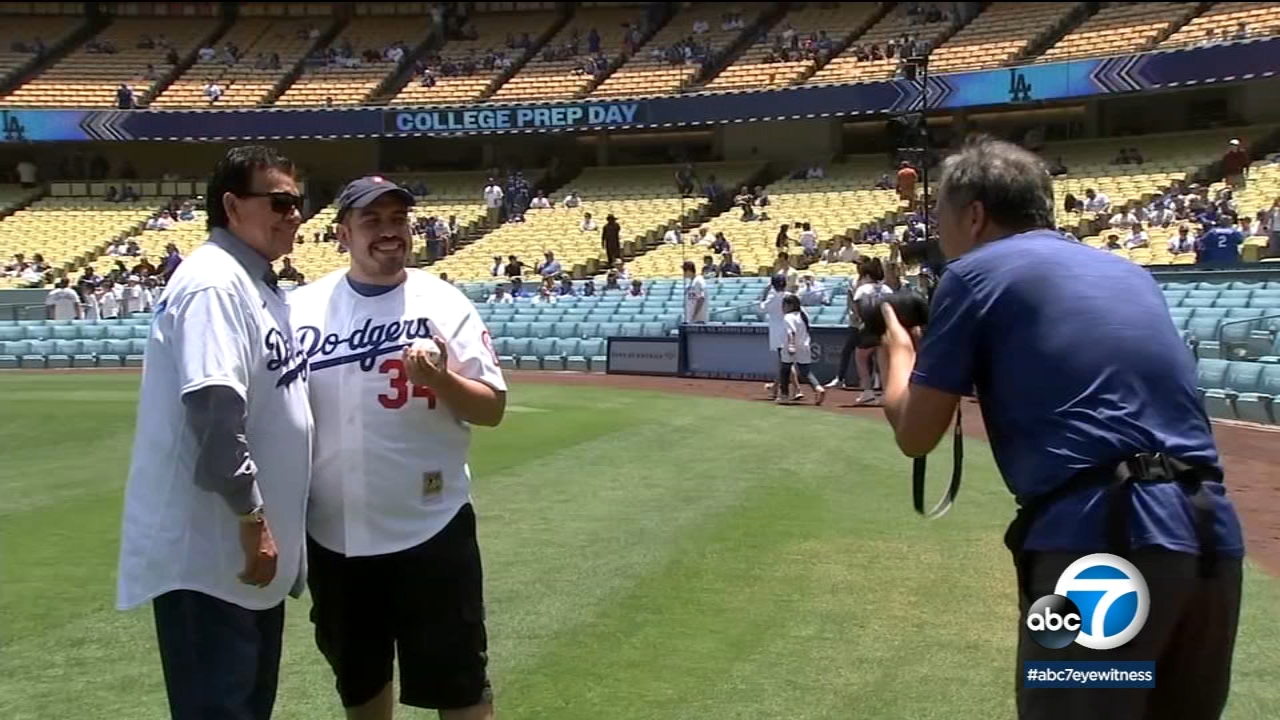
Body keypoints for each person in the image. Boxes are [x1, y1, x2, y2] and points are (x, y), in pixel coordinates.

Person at [876, 136, 1243, 720]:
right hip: (1210, 540)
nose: (939, 237)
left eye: (940, 218)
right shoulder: (1128, 272)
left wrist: (898, 354)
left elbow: (916, 434)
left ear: (974, 215)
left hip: (1101, 549)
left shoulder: (972, 275)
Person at [289, 176, 505, 720]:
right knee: (359, 683)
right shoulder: (302, 309)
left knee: (458, 683)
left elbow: (492, 408)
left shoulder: (442, 302)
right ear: (343, 234)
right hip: (335, 535)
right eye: (372, 221)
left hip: (430, 528)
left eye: (397, 220)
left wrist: (441, 382)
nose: (389, 232)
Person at [115, 145, 312, 720]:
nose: (294, 215)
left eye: (299, 203)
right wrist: (254, 520)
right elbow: (214, 412)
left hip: (242, 561)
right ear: (232, 205)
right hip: (212, 557)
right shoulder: (214, 284)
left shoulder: (257, 284)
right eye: (279, 202)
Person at [778, 294, 824, 406]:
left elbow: (791, 332)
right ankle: (818, 388)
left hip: (791, 346)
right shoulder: (802, 315)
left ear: (789, 305)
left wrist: (791, 345)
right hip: (804, 345)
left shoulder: (788, 317)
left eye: (784, 305)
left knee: (785, 370)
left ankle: (784, 396)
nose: (782, 308)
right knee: (805, 371)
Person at [682, 260, 707, 324]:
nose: (683, 273)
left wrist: (694, 315)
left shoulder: (698, 280)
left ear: (688, 271)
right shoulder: (690, 282)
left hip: (698, 320)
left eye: (684, 271)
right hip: (691, 319)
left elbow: (701, 298)